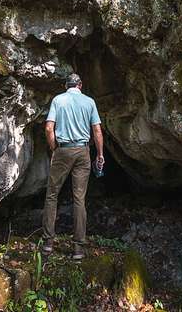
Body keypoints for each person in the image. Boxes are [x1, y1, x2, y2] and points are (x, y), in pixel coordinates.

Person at [41, 73, 104, 259]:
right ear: (80, 85)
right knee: (79, 199)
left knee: (52, 195)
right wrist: (100, 154)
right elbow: (97, 131)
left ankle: (48, 244)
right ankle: (78, 249)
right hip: (83, 151)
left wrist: (54, 148)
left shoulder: (58, 100)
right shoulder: (89, 102)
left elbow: (48, 128)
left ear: (65, 85)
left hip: (63, 149)